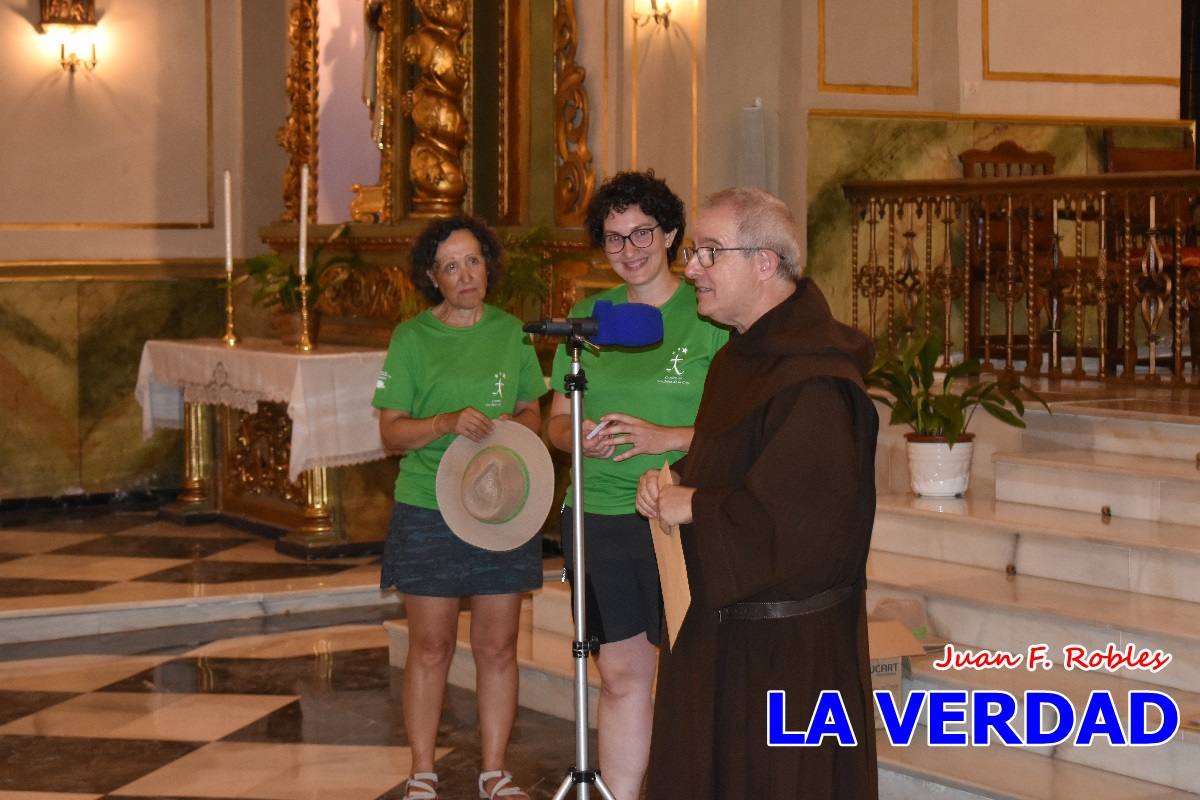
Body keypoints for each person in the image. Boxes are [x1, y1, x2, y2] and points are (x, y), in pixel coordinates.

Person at [635, 187, 880, 799]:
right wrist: (675, 480)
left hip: (787, 659)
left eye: (709, 252)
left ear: (766, 263)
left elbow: (804, 524)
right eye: (694, 251)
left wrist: (696, 505)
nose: (690, 267)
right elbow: (737, 461)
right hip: (724, 637)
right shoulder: (741, 359)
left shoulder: (818, 381)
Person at [547, 170, 728, 800]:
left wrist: (663, 437)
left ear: (671, 232)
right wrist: (582, 434)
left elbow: (735, 427)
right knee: (622, 675)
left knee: (691, 672)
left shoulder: (708, 314)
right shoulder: (585, 320)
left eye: (642, 233)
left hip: (680, 513)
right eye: (614, 238)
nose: (629, 249)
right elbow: (554, 424)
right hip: (597, 512)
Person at [373, 215, 547, 800]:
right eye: (451, 265)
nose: (465, 274)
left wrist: (508, 429)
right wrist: (446, 423)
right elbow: (391, 434)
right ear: (433, 277)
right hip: (427, 507)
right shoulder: (411, 338)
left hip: (501, 507)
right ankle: (422, 770)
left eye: (473, 260)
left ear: (488, 266)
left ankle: (494, 771)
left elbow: (532, 411)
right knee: (431, 646)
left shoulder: (511, 334)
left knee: (498, 647)